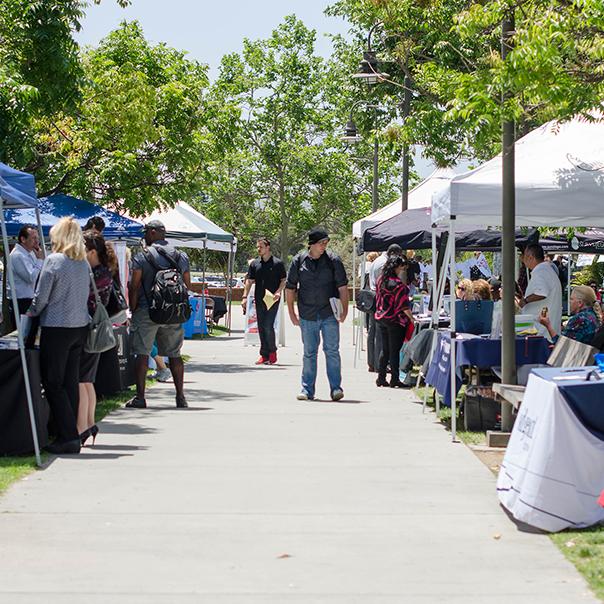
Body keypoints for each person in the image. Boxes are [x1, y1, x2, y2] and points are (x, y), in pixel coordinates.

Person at [27, 218, 90, 454]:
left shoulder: (54, 261)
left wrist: (29, 314)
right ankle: (68, 432)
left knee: (53, 382)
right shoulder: (82, 263)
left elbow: (41, 299)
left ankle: (67, 436)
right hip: (78, 326)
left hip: (57, 326)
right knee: (69, 382)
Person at [127, 220, 191, 409]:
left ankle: (140, 397)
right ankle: (180, 397)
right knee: (175, 354)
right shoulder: (181, 256)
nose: (145, 235)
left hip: (147, 310)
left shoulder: (142, 256)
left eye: (146, 232)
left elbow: (135, 285)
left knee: (142, 353)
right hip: (172, 311)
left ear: (154, 233)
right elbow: (187, 285)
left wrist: (134, 307)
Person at [286, 228, 349, 401]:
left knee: (332, 351)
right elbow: (290, 288)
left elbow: (342, 287)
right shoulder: (298, 261)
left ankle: (336, 388)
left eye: (326, 243)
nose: (324, 246)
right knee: (309, 353)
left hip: (329, 314)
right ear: (311, 244)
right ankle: (307, 390)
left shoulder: (333, 260)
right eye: (321, 243)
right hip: (307, 315)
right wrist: (292, 313)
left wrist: (344, 310)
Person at [78, 231, 113, 446]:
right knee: (87, 380)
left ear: (91, 251)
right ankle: (89, 424)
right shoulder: (105, 271)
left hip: (88, 328)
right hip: (97, 329)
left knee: (81, 380)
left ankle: (82, 426)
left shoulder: (93, 273)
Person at [242, 237, 286, 365]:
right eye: (257, 247)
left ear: (268, 247)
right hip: (259, 299)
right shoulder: (255, 264)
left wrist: (278, 292)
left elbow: (283, 280)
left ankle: (272, 352)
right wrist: (244, 297)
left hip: (272, 299)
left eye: (261, 246)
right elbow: (249, 281)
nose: (258, 249)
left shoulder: (278, 264)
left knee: (268, 325)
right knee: (261, 327)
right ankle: (264, 355)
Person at [375, 256, 414, 388]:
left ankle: (381, 378)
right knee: (394, 351)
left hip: (381, 318)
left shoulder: (381, 280)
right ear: (397, 267)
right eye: (402, 267)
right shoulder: (397, 285)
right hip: (395, 320)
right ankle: (395, 379)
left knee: (385, 350)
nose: (403, 270)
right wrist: (412, 318)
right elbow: (403, 305)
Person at [367, 244, 403, 373]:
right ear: (393, 253)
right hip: (381, 302)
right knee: (380, 337)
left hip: (374, 299)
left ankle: (372, 362)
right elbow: (386, 285)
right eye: (398, 255)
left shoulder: (377, 260)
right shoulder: (383, 264)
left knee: (373, 333)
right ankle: (378, 365)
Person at [517, 244, 562, 339]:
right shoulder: (545, 270)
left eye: (523, 256)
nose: (522, 259)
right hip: (544, 331)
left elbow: (542, 293)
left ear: (530, 257)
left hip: (541, 333)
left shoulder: (541, 271)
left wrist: (525, 301)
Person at [9, 225, 44, 316]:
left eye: (37, 238)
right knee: (24, 329)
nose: (37, 241)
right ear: (23, 239)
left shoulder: (31, 252)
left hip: (30, 299)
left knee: (32, 329)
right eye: (33, 238)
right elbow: (31, 278)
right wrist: (40, 260)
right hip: (21, 301)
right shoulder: (17, 255)